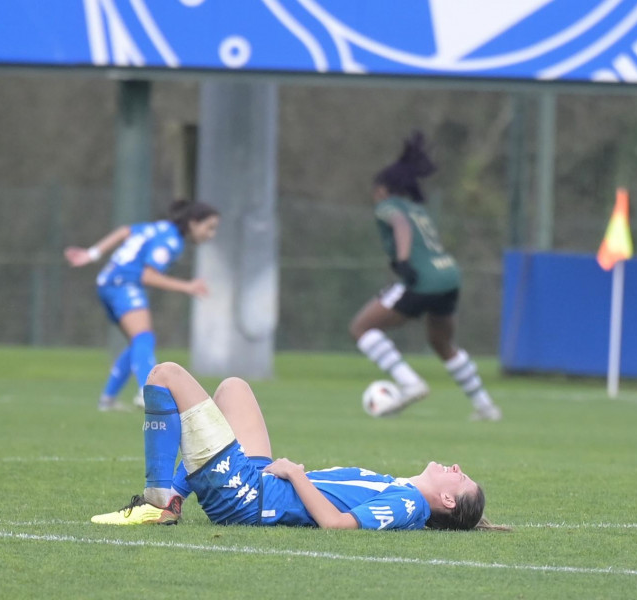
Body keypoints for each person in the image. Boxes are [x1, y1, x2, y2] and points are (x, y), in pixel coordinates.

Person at [91, 362, 498, 531]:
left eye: (461, 479)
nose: (457, 467)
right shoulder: (406, 493)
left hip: (249, 497)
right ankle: (176, 498)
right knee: (234, 388)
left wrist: (295, 473)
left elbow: (338, 526)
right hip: (261, 482)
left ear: (447, 499)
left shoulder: (411, 503)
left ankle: (158, 499)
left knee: (165, 375)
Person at [349, 132, 502, 421]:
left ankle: (410, 383)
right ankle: (486, 407)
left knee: (361, 328)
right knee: (442, 344)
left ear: (383, 189)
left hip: (423, 281)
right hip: (448, 277)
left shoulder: (389, 206)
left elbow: (400, 225)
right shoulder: (417, 208)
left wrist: (403, 260)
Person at [64, 200, 220, 411]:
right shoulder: (172, 241)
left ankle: (107, 401)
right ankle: (146, 392)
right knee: (144, 338)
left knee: (138, 344)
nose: (211, 234)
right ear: (193, 223)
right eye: (209, 227)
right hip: (123, 283)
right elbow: (147, 275)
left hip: (108, 282)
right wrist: (187, 286)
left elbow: (124, 231)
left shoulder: (158, 227)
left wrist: (92, 254)